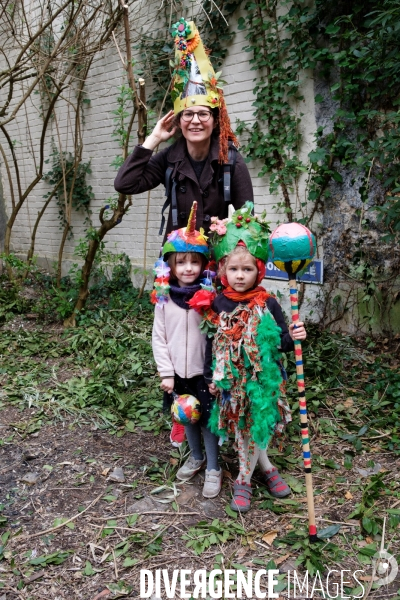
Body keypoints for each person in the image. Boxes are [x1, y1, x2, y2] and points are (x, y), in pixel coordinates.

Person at [188, 203, 307, 513]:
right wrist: (209, 377)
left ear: (259, 270)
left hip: (263, 379)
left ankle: (243, 478)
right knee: (243, 427)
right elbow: (210, 341)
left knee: (258, 424)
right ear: (224, 270)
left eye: (247, 269)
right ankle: (265, 468)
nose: (240, 276)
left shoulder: (268, 303)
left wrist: (293, 337)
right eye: (234, 269)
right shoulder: (218, 302)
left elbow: (280, 341)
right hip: (232, 382)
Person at [114, 18, 253, 237]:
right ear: (178, 122)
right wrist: (152, 140)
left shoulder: (230, 159)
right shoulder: (169, 158)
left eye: (203, 114)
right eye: (188, 114)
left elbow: (248, 219)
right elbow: (125, 184)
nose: (195, 120)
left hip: (215, 264)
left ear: (215, 120)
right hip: (178, 263)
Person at [151, 202, 222, 498]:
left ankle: (214, 468)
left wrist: (217, 374)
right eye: (181, 262)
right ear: (171, 265)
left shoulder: (210, 299)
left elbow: (219, 339)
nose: (188, 268)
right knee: (186, 416)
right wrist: (166, 373)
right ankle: (196, 457)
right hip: (177, 374)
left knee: (207, 422)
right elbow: (159, 338)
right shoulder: (164, 301)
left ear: (203, 264)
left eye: (194, 262)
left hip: (204, 376)